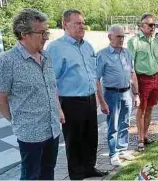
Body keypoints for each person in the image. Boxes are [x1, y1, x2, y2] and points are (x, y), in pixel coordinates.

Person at [0, 8, 62, 180]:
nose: (46, 38)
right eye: (42, 33)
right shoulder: (7, 61)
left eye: (47, 32)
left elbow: (52, 88)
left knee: (48, 172)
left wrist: (58, 110)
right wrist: (19, 122)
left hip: (52, 129)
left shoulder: (46, 57)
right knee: (31, 175)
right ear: (24, 34)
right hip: (30, 135)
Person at [46, 9, 108, 179]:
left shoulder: (87, 46)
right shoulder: (55, 48)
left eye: (83, 22)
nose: (82, 26)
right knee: (74, 140)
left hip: (89, 99)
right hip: (70, 101)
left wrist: (99, 99)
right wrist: (57, 107)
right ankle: (76, 174)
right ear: (65, 25)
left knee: (90, 137)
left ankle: (89, 167)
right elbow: (51, 81)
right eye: (77, 23)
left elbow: (93, 74)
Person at [96, 25, 140, 166]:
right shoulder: (102, 54)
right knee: (113, 125)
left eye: (123, 36)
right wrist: (101, 101)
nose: (121, 39)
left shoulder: (127, 52)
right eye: (118, 36)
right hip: (111, 94)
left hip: (126, 92)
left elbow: (132, 74)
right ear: (110, 37)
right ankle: (113, 153)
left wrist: (136, 94)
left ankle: (122, 149)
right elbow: (96, 79)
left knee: (125, 123)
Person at [127, 13, 158, 151]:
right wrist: (135, 87)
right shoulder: (134, 42)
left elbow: (156, 60)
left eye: (154, 25)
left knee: (150, 108)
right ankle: (140, 139)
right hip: (142, 79)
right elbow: (131, 66)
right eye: (150, 25)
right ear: (142, 26)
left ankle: (146, 136)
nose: (153, 27)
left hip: (155, 77)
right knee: (141, 109)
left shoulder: (154, 40)